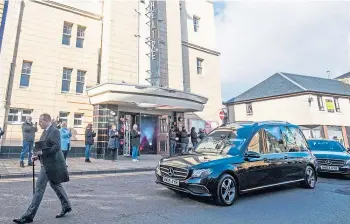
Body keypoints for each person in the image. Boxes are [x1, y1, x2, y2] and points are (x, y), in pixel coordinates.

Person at [13, 113, 71, 223]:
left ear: (46, 121)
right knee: (55, 185)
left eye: (40, 121)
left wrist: (41, 153)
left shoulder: (54, 131)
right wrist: (37, 155)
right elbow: (44, 147)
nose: (39, 123)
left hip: (51, 165)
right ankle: (66, 205)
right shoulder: (45, 132)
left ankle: (28, 216)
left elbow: (56, 147)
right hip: (47, 163)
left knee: (39, 188)